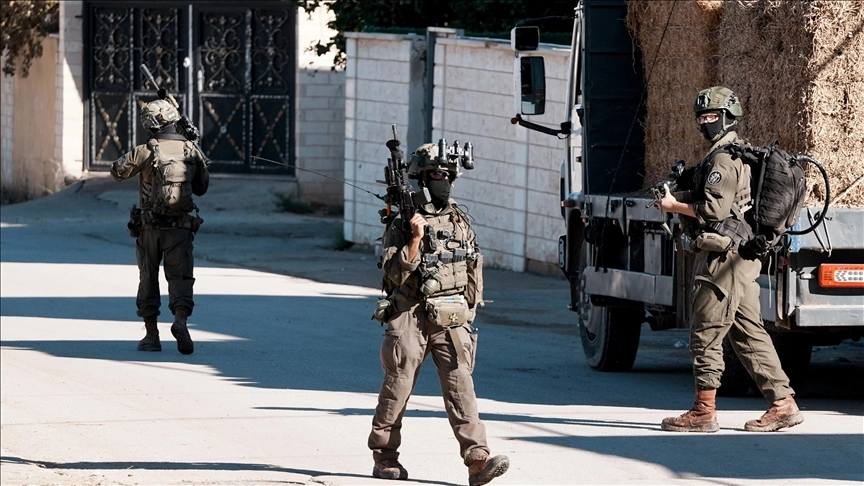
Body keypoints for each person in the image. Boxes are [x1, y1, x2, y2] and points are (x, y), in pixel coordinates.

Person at [658, 86, 804, 432]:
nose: (705, 123)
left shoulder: (722, 159)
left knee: (706, 331)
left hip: (722, 260)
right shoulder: (733, 153)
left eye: (711, 116)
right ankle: (783, 404)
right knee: (748, 333)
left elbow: (714, 210)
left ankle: (703, 411)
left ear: (727, 118)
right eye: (701, 117)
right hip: (740, 259)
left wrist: (673, 205)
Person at [368, 142, 509, 485]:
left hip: (451, 314)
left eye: (447, 174)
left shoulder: (459, 218)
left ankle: (477, 460)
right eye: (435, 175)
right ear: (421, 178)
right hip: (411, 312)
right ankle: (385, 456)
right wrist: (415, 238)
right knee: (398, 385)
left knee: (461, 384)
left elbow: (472, 266)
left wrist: (469, 310)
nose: (443, 181)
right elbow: (393, 274)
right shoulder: (403, 219)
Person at [110, 98, 209, 355]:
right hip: (180, 228)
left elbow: (117, 172)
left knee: (148, 278)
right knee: (181, 277)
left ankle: (151, 335)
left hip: (149, 229)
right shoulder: (190, 149)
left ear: (149, 124)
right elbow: (202, 188)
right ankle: (180, 319)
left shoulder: (145, 150)